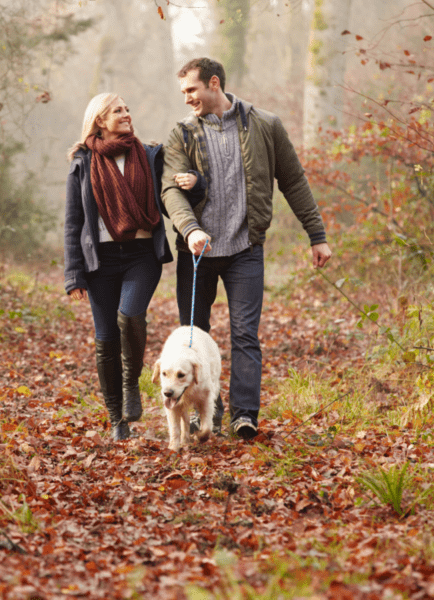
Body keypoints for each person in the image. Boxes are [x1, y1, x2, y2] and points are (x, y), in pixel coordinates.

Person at [161, 58, 332, 440]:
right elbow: (170, 190)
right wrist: (189, 230)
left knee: (245, 336)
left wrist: (316, 234)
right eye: (183, 92)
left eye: (192, 90)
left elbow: (294, 181)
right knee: (193, 337)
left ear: (214, 84)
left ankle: (244, 415)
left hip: (245, 250)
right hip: (197, 253)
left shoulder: (265, 125)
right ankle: (199, 415)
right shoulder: (181, 135)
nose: (187, 99)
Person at [64, 93, 206, 441]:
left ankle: (132, 382)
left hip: (141, 255)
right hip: (101, 261)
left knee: (129, 315)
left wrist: (195, 183)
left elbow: (174, 193)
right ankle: (117, 420)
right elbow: (73, 222)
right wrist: (74, 273)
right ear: (100, 120)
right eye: (118, 111)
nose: (126, 115)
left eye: (127, 109)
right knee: (106, 340)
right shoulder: (83, 162)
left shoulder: (149, 155)